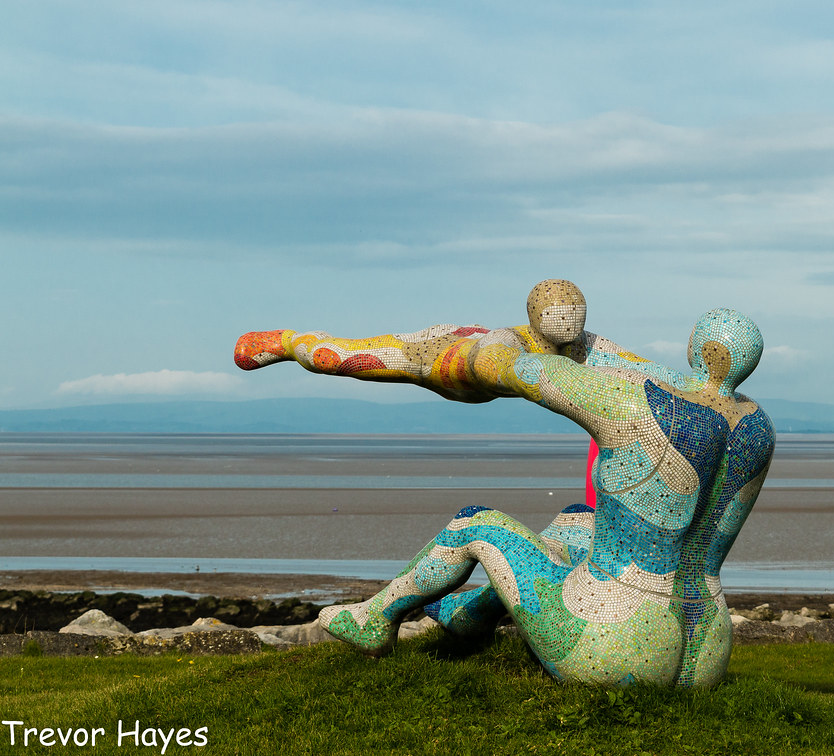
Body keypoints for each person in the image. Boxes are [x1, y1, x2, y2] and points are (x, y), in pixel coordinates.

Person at [234, 282, 774, 687]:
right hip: (705, 648)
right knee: (577, 525)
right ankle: (471, 614)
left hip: (619, 643)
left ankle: (375, 618)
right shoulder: (756, 429)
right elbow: (640, 370)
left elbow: (510, 368)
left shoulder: (633, 407)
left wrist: (499, 344)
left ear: (696, 348)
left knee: (478, 524)